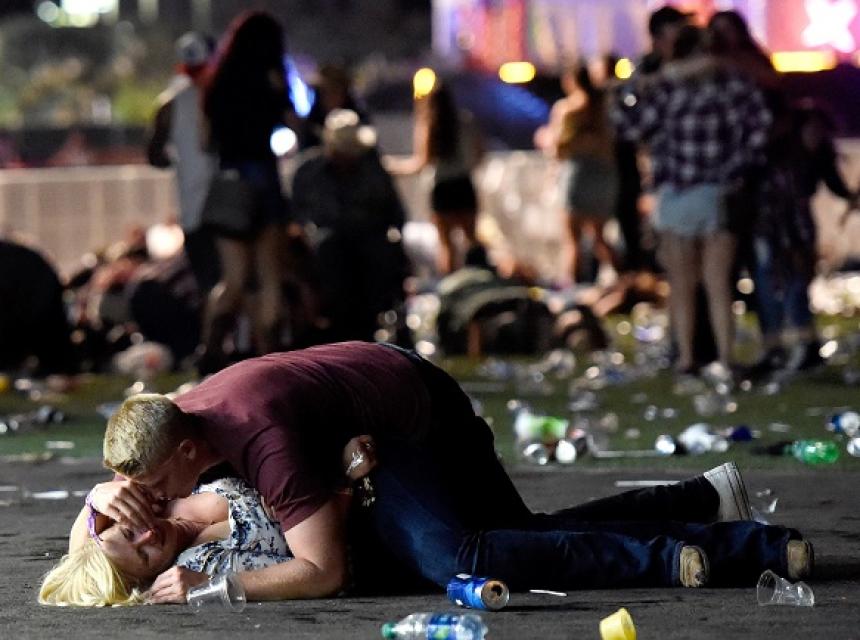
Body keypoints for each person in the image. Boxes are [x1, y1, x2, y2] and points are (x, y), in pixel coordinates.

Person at [68, 342, 812, 603]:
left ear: (187, 455)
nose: (142, 511)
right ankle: (702, 501)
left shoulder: (255, 443)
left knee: (463, 555)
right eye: (129, 523)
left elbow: (323, 569)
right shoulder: (176, 433)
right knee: (516, 534)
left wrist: (216, 588)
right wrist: (102, 495)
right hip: (376, 411)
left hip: (408, 422)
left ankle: (696, 553)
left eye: (146, 491)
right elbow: (91, 549)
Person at [612, 26, 772, 376]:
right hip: (717, 193)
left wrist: (635, 83)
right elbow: (760, 126)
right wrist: (735, 170)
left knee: (682, 284)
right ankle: (725, 358)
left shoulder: (669, 89)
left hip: (676, 195)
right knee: (719, 283)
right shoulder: (731, 86)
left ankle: (686, 358)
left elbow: (629, 127)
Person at [197, 11, 298, 372]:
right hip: (264, 178)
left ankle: (210, 348)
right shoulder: (271, 78)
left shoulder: (218, 81)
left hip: (229, 181)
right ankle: (270, 359)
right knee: (270, 277)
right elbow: (294, 125)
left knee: (234, 278)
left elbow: (204, 140)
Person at [748, 103, 857, 375]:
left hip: (796, 227)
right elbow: (780, 205)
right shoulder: (783, 158)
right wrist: (793, 245)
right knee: (773, 285)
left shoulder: (816, 157)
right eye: (812, 129)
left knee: (796, 285)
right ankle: (778, 347)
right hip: (771, 228)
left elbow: (833, 184)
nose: (816, 135)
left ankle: (803, 346)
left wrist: (850, 197)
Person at [290, 109, 409, 342]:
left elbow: (394, 210)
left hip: (369, 240)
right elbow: (296, 215)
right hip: (326, 246)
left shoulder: (372, 168)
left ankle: (372, 319)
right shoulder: (309, 172)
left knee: (377, 256)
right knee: (329, 252)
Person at [146, 31, 220, 295]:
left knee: (207, 287)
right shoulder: (227, 97)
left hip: (193, 212)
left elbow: (155, 156)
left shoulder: (169, 104)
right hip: (230, 210)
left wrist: (184, 163)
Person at [385, 82, 484, 275]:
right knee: (471, 240)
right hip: (463, 184)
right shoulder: (466, 121)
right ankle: (479, 277)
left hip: (442, 187)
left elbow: (420, 163)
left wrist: (393, 167)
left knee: (446, 245)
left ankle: (451, 284)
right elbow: (480, 154)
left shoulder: (430, 125)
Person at [540, 62, 619, 284]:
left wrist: (548, 140)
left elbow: (558, 149)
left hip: (578, 174)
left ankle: (572, 288)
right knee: (600, 237)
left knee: (572, 240)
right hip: (605, 174)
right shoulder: (604, 107)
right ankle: (626, 278)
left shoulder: (568, 109)